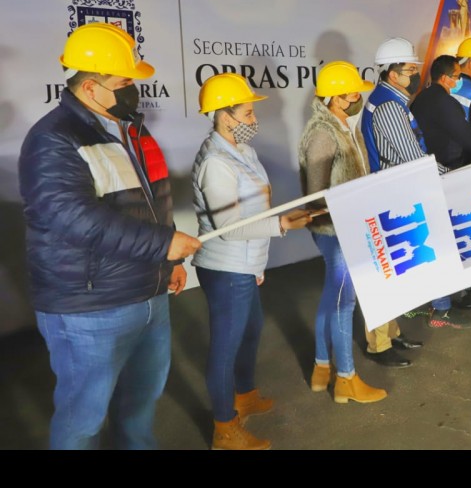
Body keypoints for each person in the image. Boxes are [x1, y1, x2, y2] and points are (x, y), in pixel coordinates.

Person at [18, 22, 202, 450]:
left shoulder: (130, 129)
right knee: (83, 420)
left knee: (140, 405)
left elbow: (152, 204)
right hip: (89, 309)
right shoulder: (53, 139)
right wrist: (163, 246)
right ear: (90, 87)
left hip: (148, 293)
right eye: (123, 83)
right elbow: (70, 216)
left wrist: (169, 263)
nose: (132, 90)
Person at [191, 73, 313, 450]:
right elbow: (229, 228)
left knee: (251, 330)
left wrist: (257, 265)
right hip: (226, 267)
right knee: (225, 348)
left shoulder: (243, 151)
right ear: (224, 116)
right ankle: (225, 428)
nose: (253, 120)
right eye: (246, 113)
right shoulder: (216, 162)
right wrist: (283, 224)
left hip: (245, 264)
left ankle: (244, 396)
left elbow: (254, 209)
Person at [298, 61, 387, 404]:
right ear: (334, 98)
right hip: (335, 231)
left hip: (348, 225)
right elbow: (316, 195)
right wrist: (352, 206)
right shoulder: (323, 133)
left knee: (333, 296)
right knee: (344, 301)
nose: (357, 98)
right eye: (351, 94)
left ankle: (322, 366)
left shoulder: (345, 126)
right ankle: (346, 379)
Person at [411, 54, 471, 328]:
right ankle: (444, 306)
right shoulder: (444, 101)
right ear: (446, 78)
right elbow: (467, 138)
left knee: (444, 237)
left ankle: (451, 297)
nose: (460, 80)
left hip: (431, 172)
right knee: (450, 237)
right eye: (458, 76)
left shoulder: (421, 99)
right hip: (448, 171)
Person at [359, 37, 429, 367]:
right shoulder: (389, 106)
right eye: (410, 70)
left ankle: (391, 332)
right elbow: (412, 157)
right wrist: (447, 174)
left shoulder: (391, 100)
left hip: (393, 190)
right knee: (384, 271)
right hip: (389, 192)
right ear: (392, 74)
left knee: (394, 270)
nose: (414, 75)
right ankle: (379, 345)